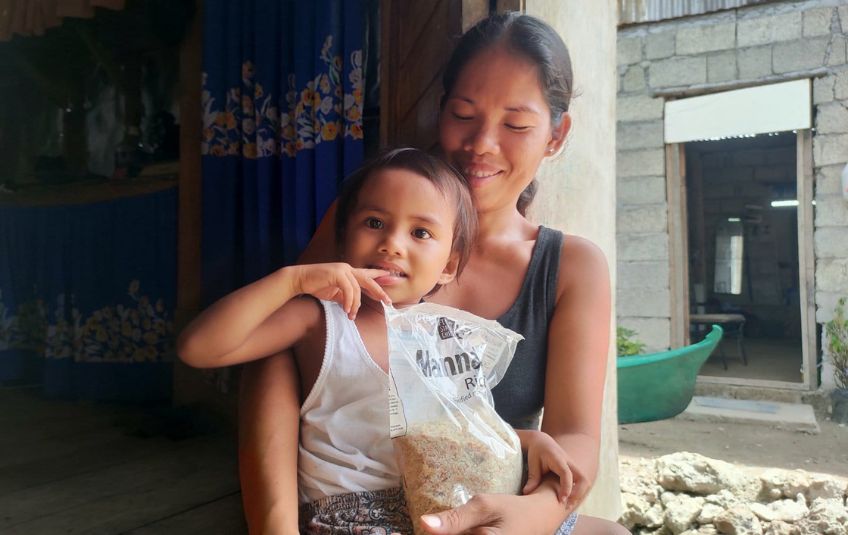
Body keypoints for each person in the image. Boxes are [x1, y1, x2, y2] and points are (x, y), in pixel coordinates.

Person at [239, 12, 629, 535]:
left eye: (516, 125)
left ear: (557, 135)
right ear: (440, 110)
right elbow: (276, 357)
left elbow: (575, 438)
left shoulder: (569, 267)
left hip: (492, 507)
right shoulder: (370, 229)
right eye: (464, 114)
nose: (482, 144)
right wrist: (276, 526)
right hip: (353, 514)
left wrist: (533, 514)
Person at [179, 148, 579, 534]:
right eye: (374, 223)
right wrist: (293, 280)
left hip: (434, 503)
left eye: (420, 232)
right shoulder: (320, 320)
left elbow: (461, 434)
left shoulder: (447, 335)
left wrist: (526, 441)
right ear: (341, 239)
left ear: (449, 265)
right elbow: (198, 348)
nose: (392, 244)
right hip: (353, 516)